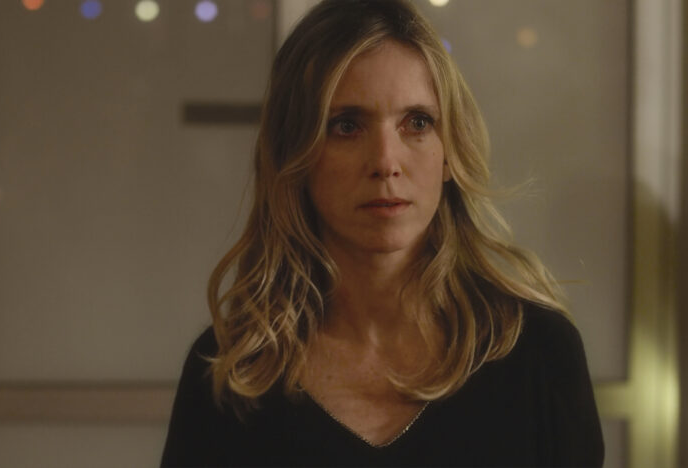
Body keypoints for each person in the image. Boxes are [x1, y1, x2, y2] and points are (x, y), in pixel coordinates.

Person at [162, 0, 604, 466]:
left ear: (449, 151)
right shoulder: (231, 373)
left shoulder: (538, 355)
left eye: (417, 123)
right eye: (347, 126)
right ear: (296, 154)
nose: (386, 162)